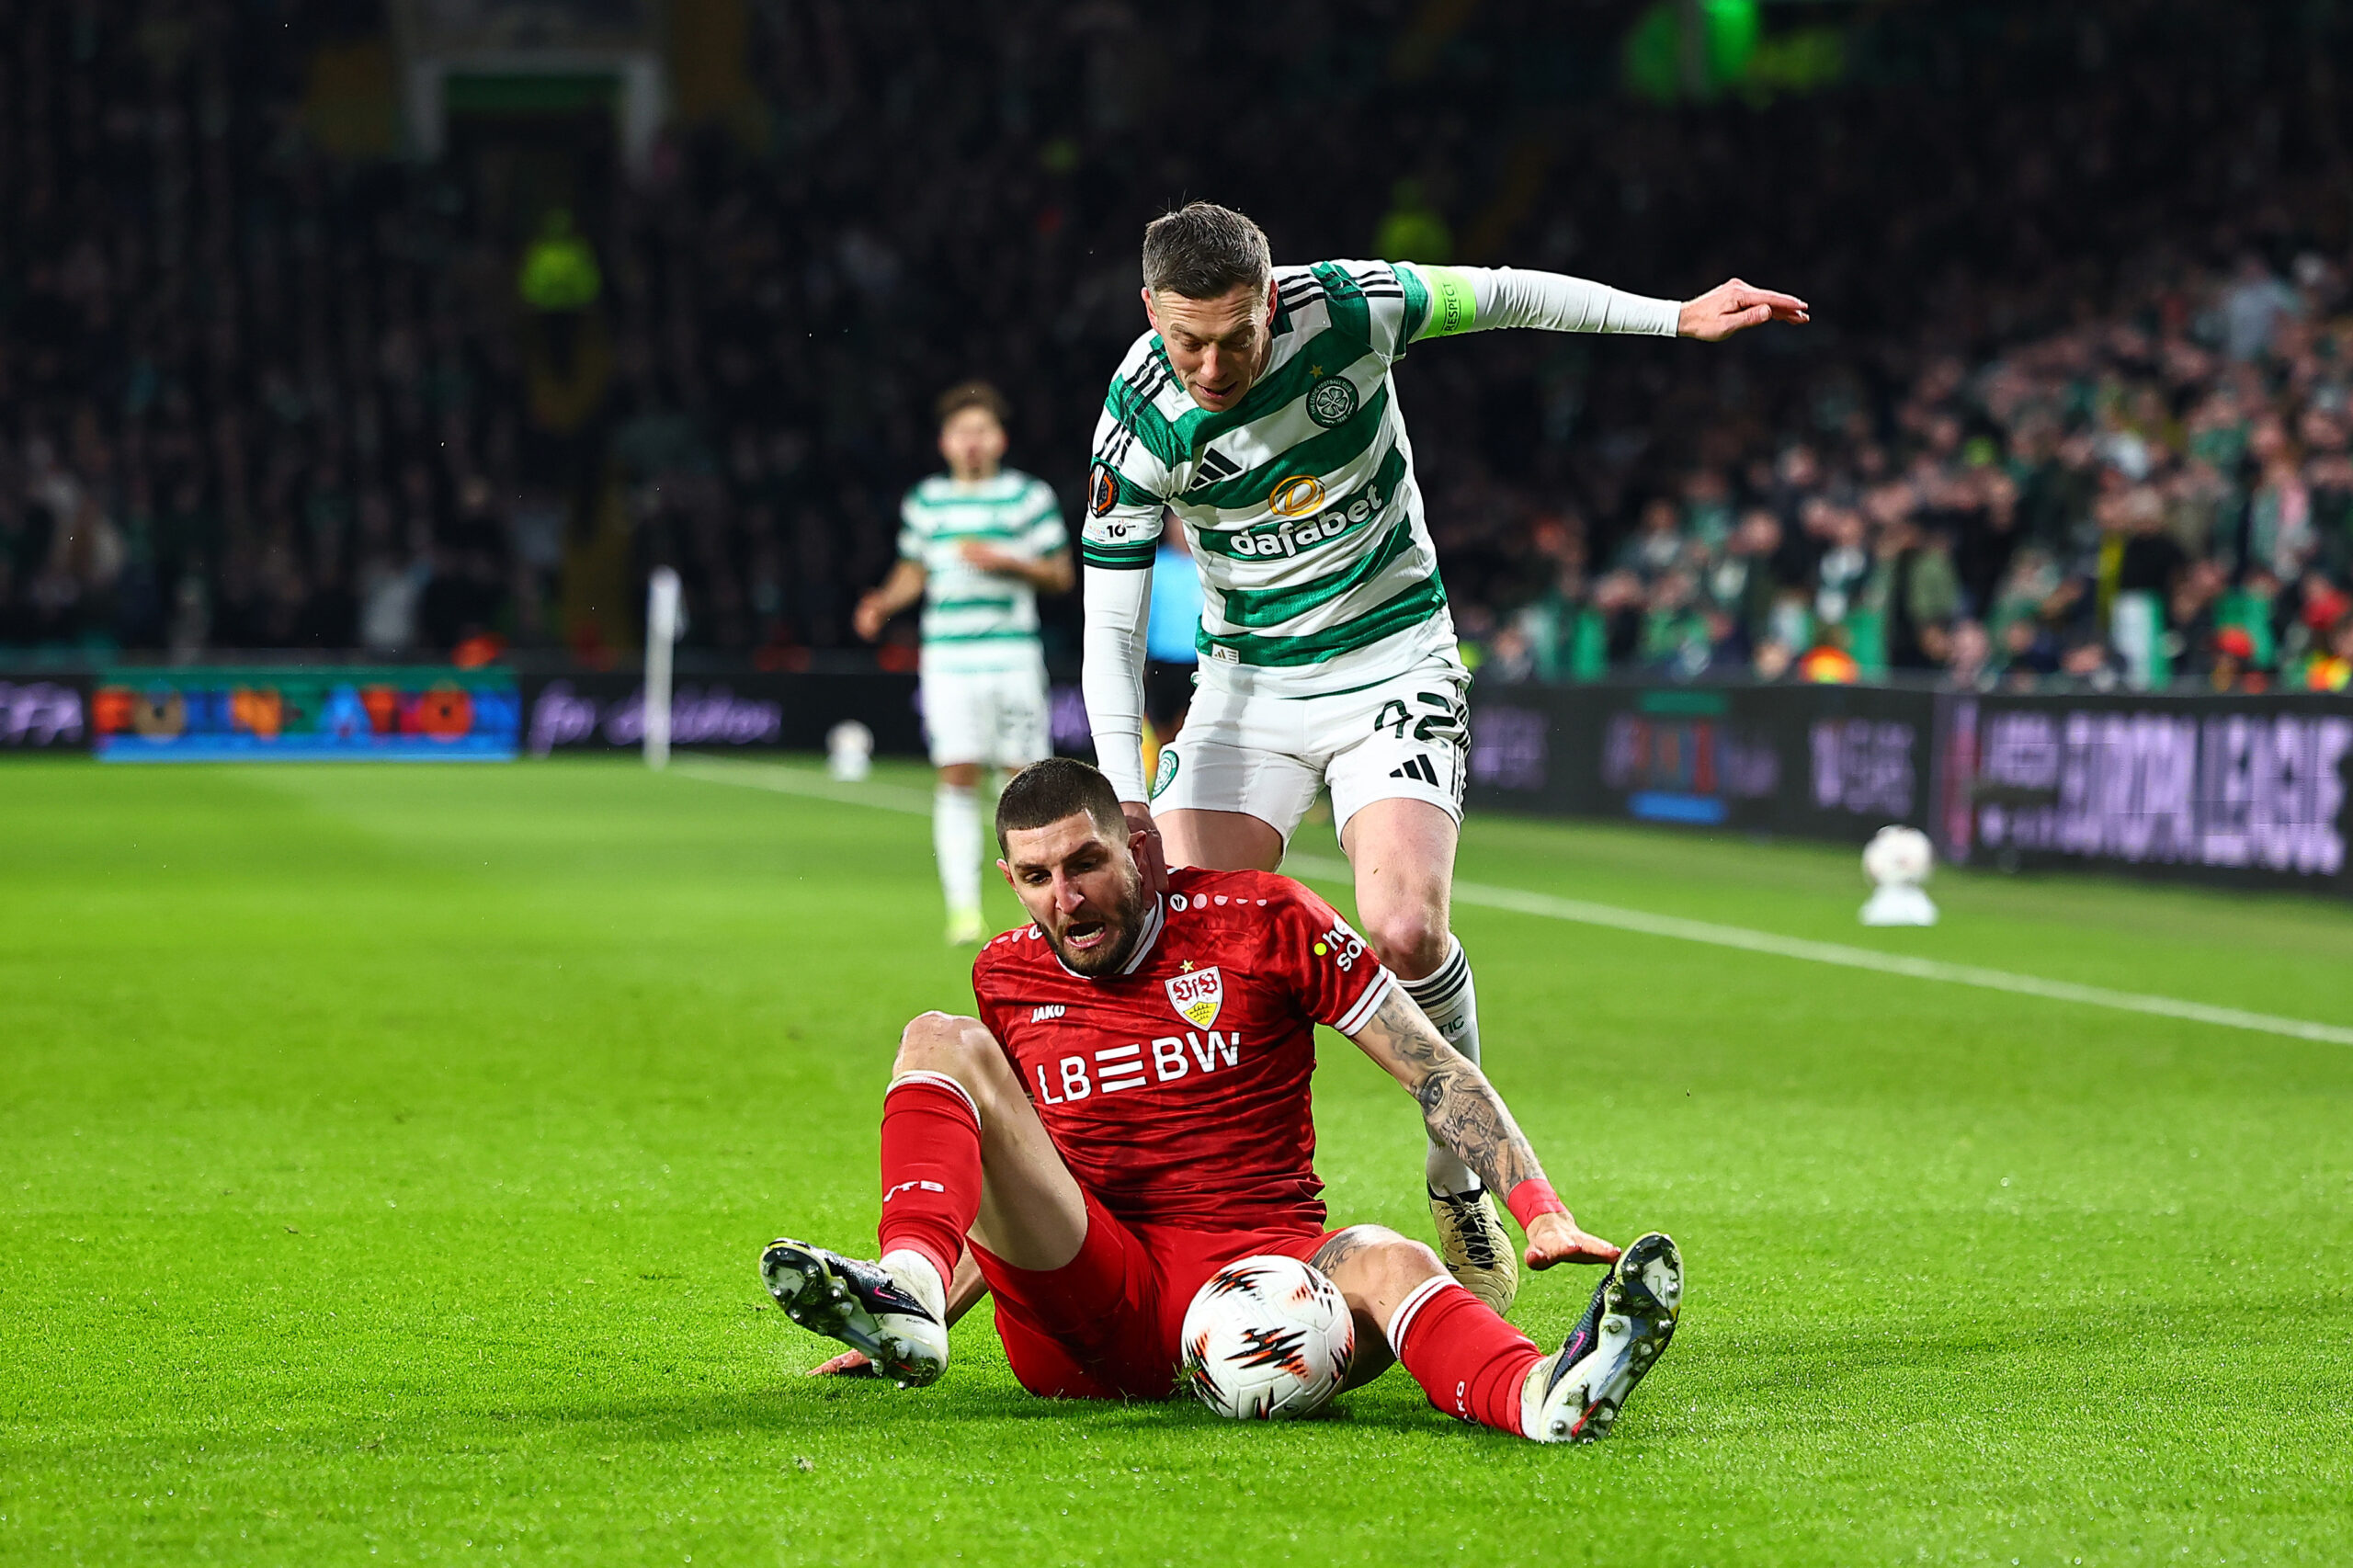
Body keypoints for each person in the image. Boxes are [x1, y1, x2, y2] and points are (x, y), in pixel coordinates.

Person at [1076, 201, 1801, 1312]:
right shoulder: (1137, 423)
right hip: (1247, 688)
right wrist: (1127, 800)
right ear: (1149, 314)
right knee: (1175, 946)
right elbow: (1112, 633)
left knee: (1405, 930)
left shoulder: (1357, 306)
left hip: (1393, 661)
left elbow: (1508, 290)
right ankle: (1184, 1210)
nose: (1213, 364)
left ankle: (1459, 1172)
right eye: (1189, 341)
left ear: (1271, 298)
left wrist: (1673, 320)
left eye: (1235, 334)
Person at [762, 758, 1683, 1444]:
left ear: (1140, 845)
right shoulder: (1005, 971)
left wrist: (1541, 1208)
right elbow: (1010, 1176)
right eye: (1036, 877)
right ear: (1011, 880)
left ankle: (1542, 1395)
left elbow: (1435, 1068)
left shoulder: (1266, 922)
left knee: (1389, 1255)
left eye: (1085, 861)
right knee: (938, 1036)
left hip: (1271, 1287)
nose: (1066, 897)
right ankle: (907, 1292)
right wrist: (935, 1300)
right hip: (1096, 1300)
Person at [857, 383, 1074, 943]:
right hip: (949, 658)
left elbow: (1060, 574)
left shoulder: (1028, 497)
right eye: (961, 433)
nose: (971, 443)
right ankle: (961, 909)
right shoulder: (927, 501)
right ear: (945, 442)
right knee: (956, 771)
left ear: (998, 439)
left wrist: (1006, 562)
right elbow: (914, 570)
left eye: (981, 431)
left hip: (1010, 653)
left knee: (1023, 778)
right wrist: (884, 601)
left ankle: (1042, 906)